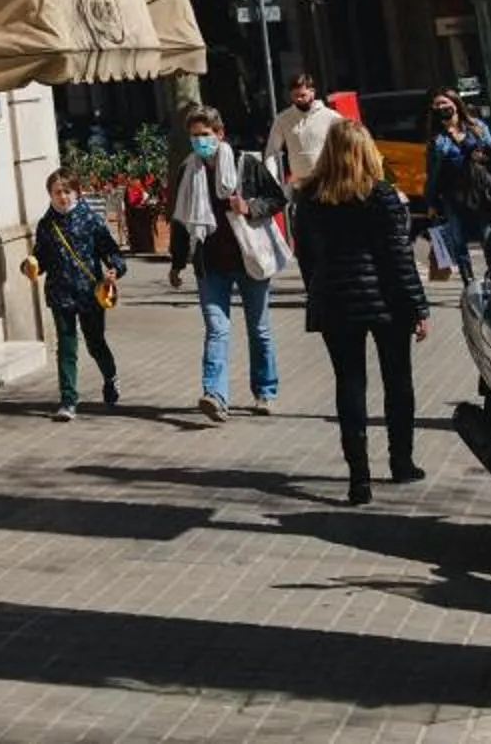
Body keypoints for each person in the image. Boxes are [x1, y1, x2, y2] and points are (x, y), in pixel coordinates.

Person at [294, 117, 431, 504]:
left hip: (336, 300)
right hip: (386, 300)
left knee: (349, 384)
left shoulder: (310, 197)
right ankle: (401, 462)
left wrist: (317, 290)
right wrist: (418, 306)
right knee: (397, 380)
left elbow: (305, 254)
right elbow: (398, 258)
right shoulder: (381, 195)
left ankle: (359, 479)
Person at [168, 105, 286, 421]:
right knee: (216, 329)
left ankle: (265, 392)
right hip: (211, 264)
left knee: (258, 329)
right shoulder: (187, 170)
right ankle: (214, 395)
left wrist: (249, 206)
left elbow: (278, 199)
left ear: (219, 134)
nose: (200, 142)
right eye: (194, 136)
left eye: (205, 135)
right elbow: (180, 221)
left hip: (250, 259)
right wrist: (177, 262)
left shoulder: (246, 163)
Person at [25, 170, 125, 420]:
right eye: (57, 192)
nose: (62, 197)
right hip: (60, 294)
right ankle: (68, 400)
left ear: (76, 193)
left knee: (95, 343)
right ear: (50, 194)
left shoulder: (90, 220)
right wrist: (31, 265)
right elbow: (42, 258)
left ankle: (110, 376)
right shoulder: (46, 225)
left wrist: (115, 268)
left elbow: (110, 250)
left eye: (67, 192)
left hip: (90, 294)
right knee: (66, 347)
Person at [425, 90, 491, 285]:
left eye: (444, 103)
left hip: (479, 189)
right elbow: (432, 173)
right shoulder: (437, 139)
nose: (441, 108)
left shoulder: (476, 127)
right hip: (452, 193)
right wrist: (431, 201)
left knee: (488, 235)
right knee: (458, 240)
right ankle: (469, 281)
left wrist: (460, 139)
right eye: (437, 105)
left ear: (455, 103)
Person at [263, 70, 339, 189]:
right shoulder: (283, 119)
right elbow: (271, 152)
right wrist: (273, 182)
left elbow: (347, 147)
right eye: (295, 96)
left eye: (302, 95)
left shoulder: (331, 117)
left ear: (312, 92)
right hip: (300, 187)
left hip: (328, 184)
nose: (298, 99)